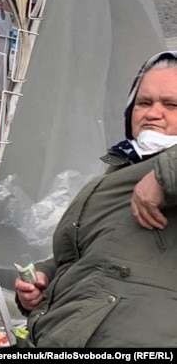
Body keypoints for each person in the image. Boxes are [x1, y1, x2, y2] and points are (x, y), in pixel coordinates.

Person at [14, 51, 177, 348]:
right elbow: (90, 256)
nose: (153, 113)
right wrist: (44, 278)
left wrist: (163, 173)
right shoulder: (123, 167)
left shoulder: (162, 169)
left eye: (171, 105)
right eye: (144, 103)